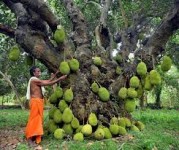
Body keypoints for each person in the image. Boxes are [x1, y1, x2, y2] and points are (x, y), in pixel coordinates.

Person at [25, 66, 67, 148]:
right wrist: (60, 79)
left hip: (39, 102)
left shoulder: (37, 80)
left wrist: (55, 74)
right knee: (34, 119)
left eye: (40, 71)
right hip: (35, 101)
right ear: (34, 73)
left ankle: (35, 136)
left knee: (38, 119)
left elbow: (48, 81)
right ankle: (30, 138)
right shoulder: (33, 80)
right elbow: (48, 83)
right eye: (38, 71)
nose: (39, 72)